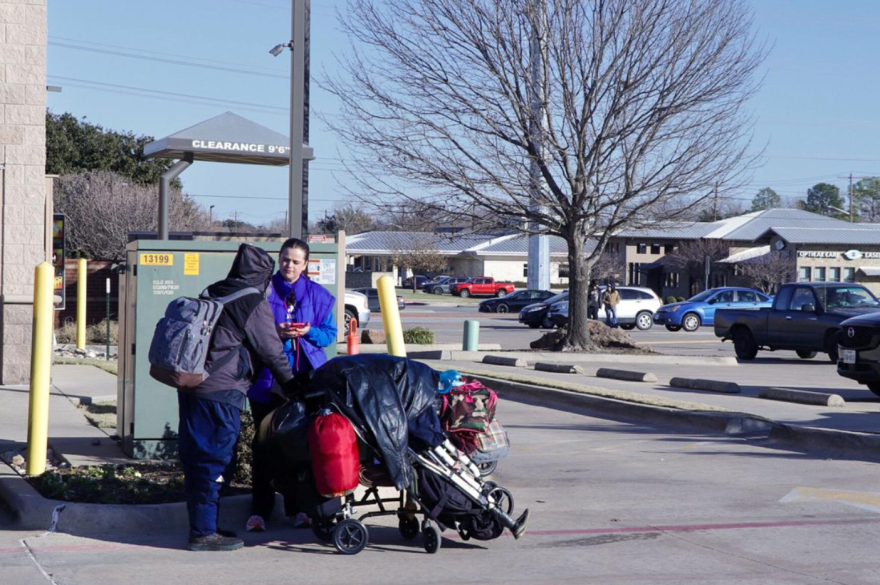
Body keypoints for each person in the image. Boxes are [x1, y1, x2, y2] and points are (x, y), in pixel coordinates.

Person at [178, 243, 295, 552]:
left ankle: (204, 525)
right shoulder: (252, 300)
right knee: (215, 459)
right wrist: (293, 385)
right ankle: (203, 533)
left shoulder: (217, 290)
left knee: (196, 458)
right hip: (221, 391)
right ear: (263, 276)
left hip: (193, 386)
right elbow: (271, 351)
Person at [245, 238, 337, 533]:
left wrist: (308, 331)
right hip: (267, 380)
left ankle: (297, 509)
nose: (290, 266)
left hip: (304, 381)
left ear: (305, 264)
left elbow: (329, 334)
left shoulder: (318, 296)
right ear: (279, 259)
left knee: (301, 446)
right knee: (264, 445)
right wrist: (276, 332)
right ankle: (259, 510)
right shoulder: (263, 292)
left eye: (296, 261)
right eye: (285, 259)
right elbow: (249, 332)